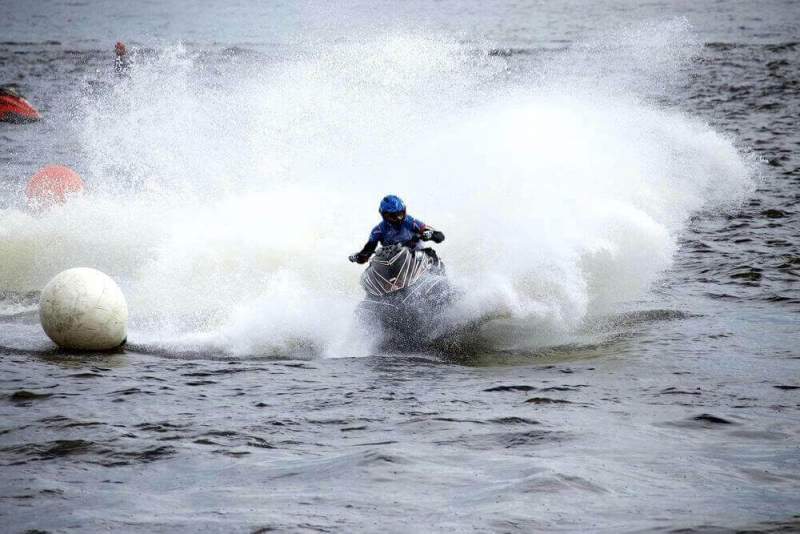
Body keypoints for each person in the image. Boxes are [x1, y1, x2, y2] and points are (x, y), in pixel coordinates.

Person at [349, 195, 445, 264]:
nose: (399, 219)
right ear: (384, 215)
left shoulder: (411, 222)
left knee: (430, 253)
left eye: (401, 214)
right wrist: (359, 257)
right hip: (392, 262)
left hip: (415, 256)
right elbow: (367, 252)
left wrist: (429, 235)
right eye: (393, 216)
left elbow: (440, 236)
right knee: (373, 264)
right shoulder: (378, 231)